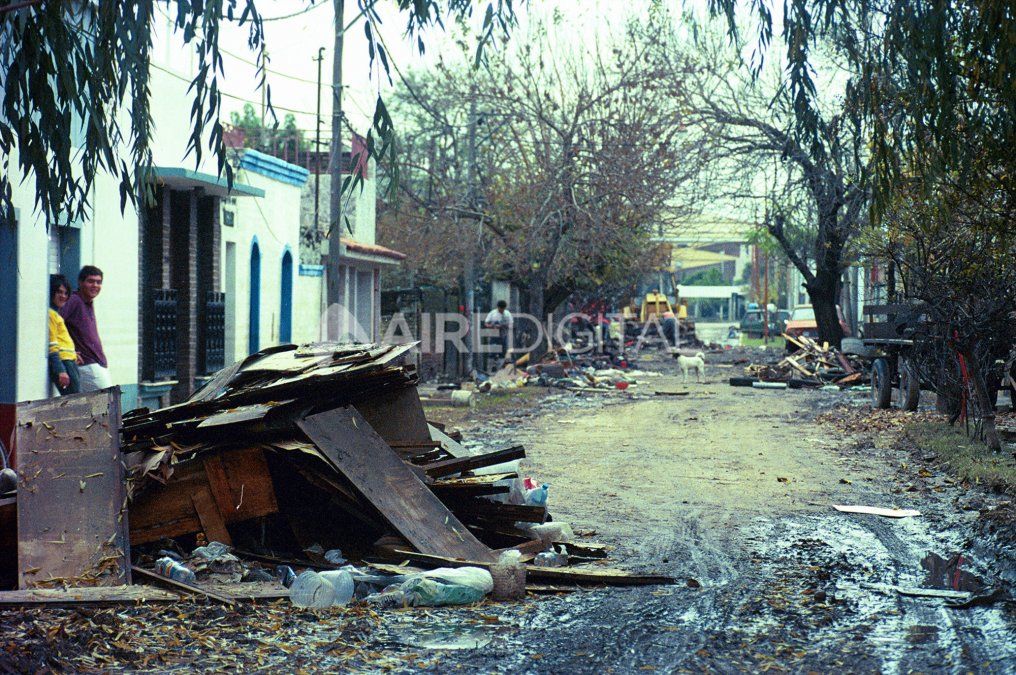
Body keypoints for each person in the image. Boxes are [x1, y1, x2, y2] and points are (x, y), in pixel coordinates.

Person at [60, 265, 112, 391]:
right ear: (80, 282)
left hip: (95, 364)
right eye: (90, 281)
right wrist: (67, 351)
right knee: (109, 401)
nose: (95, 285)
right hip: (86, 365)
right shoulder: (74, 300)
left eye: (98, 282)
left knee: (97, 407)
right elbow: (56, 325)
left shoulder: (87, 303)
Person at [48, 274, 80, 395]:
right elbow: (52, 344)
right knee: (75, 402)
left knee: (76, 400)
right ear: (51, 292)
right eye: (59, 292)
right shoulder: (50, 314)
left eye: (66, 293)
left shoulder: (56, 314)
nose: (63, 296)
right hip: (64, 363)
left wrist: (73, 353)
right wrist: (60, 371)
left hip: (70, 361)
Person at [483, 300, 513, 371]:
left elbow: (511, 324)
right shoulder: (492, 313)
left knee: (503, 352)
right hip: (493, 336)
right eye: (500, 309)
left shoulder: (507, 314)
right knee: (492, 352)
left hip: (503, 336)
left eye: (503, 309)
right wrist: (493, 326)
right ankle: (490, 369)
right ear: (498, 307)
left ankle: (500, 369)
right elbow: (486, 324)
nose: (502, 311)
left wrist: (504, 326)